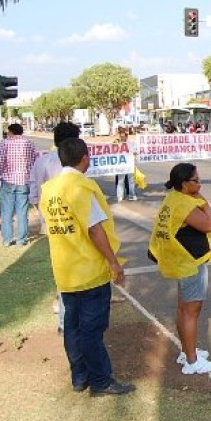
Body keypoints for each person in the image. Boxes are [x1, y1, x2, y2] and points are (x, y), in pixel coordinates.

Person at [40, 138, 135, 396]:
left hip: (65, 270)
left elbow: (48, 227)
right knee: (91, 330)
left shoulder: (48, 189)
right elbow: (95, 230)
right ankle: (101, 381)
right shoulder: (82, 187)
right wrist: (114, 263)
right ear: (85, 158)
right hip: (89, 271)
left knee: (72, 328)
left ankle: (79, 378)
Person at [148, 163, 211, 375]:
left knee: (183, 309)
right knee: (191, 311)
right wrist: (205, 204)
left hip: (181, 261)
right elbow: (208, 225)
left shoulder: (173, 199)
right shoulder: (185, 205)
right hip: (190, 263)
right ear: (183, 184)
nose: (200, 184)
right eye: (195, 181)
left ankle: (187, 351)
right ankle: (191, 360)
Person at [28, 121, 82, 334]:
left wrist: (43, 214)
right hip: (74, 225)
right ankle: (65, 317)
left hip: (52, 224)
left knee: (62, 268)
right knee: (73, 269)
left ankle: (64, 314)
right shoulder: (78, 162)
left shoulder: (43, 162)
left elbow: (34, 192)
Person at [0, 123, 37, 246]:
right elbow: (34, 160)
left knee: (7, 211)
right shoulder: (29, 143)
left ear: (11, 132)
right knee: (22, 211)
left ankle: (7, 239)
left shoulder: (5, 143)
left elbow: (0, 163)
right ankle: (21, 239)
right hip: (24, 180)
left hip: (8, 180)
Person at [113, 128, 137, 202]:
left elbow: (136, 151)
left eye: (124, 136)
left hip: (130, 164)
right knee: (120, 181)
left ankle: (132, 195)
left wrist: (134, 153)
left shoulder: (132, 143)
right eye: (121, 136)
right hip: (121, 165)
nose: (122, 137)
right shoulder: (116, 143)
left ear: (126, 136)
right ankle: (120, 196)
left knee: (131, 181)